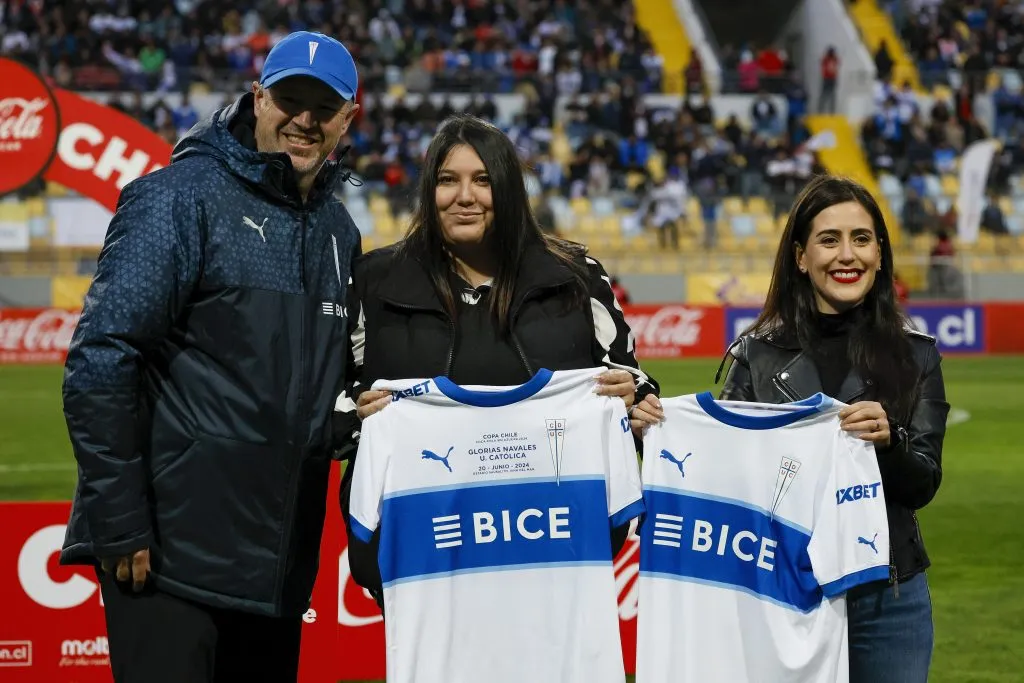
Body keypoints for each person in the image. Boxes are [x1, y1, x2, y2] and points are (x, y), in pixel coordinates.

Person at [60, 31, 362, 683]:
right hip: (170, 560)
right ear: (257, 98)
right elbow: (100, 357)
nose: (304, 119)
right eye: (289, 99)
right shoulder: (178, 197)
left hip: (274, 568)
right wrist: (119, 518)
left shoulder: (340, 231)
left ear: (349, 118)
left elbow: (317, 382)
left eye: (323, 105)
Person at [334, 113, 664, 603]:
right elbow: (329, 405)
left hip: (554, 558)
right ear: (429, 190)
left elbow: (630, 378)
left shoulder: (575, 276)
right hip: (424, 564)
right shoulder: (374, 282)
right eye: (448, 180)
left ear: (508, 189)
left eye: (482, 180)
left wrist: (635, 400)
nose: (464, 196)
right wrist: (357, 418)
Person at [716, 175, 948, 683]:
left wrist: (889, 445)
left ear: (881, 255)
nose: (848, 255)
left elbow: (923, 484)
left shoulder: (918, 355)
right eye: (829, 239)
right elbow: (723, 477)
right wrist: (656, 436)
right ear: (801, 257)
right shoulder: (754, 357)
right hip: (783, 592)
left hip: (890, 597)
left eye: (861, 239)